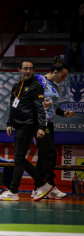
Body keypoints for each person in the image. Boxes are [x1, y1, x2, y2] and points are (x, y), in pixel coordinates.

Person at [0, 60, 54, 201]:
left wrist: (41, 127)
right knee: (19, 158)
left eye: (30, 69)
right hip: (18, 125)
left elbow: (41, 108)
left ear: (33, 71)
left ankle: (14, 191)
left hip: (28, 126)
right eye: (25, 68)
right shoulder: (17, 85)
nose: (27, 71)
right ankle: (42, 184)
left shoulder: (35, 86)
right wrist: (9, 122)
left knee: (19, 159)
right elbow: (13, 105)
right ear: (19, 70)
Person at [32, 58, 74, 199]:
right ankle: (50, 186)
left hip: (49, 122)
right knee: (50, 154)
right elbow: (31, 99)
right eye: (63, 76)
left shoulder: (54, 85)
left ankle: (37, 188)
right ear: (55, 72)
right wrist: (40, 103)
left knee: (43, 155)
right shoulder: (39, 81)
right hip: (40, 122)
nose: (64, 79)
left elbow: (53, 106)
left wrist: (64, 113)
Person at [65, 1, 84, 72]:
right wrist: (73, 43)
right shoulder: (76, 20)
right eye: (79, 8)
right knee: (69, 46)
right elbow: (72, 35)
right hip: (76, 46)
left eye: (83, 7)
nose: (80, 9)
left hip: (81, 45)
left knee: (83, 45)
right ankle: (66, 74)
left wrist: (77, 43)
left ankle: (83, 73)